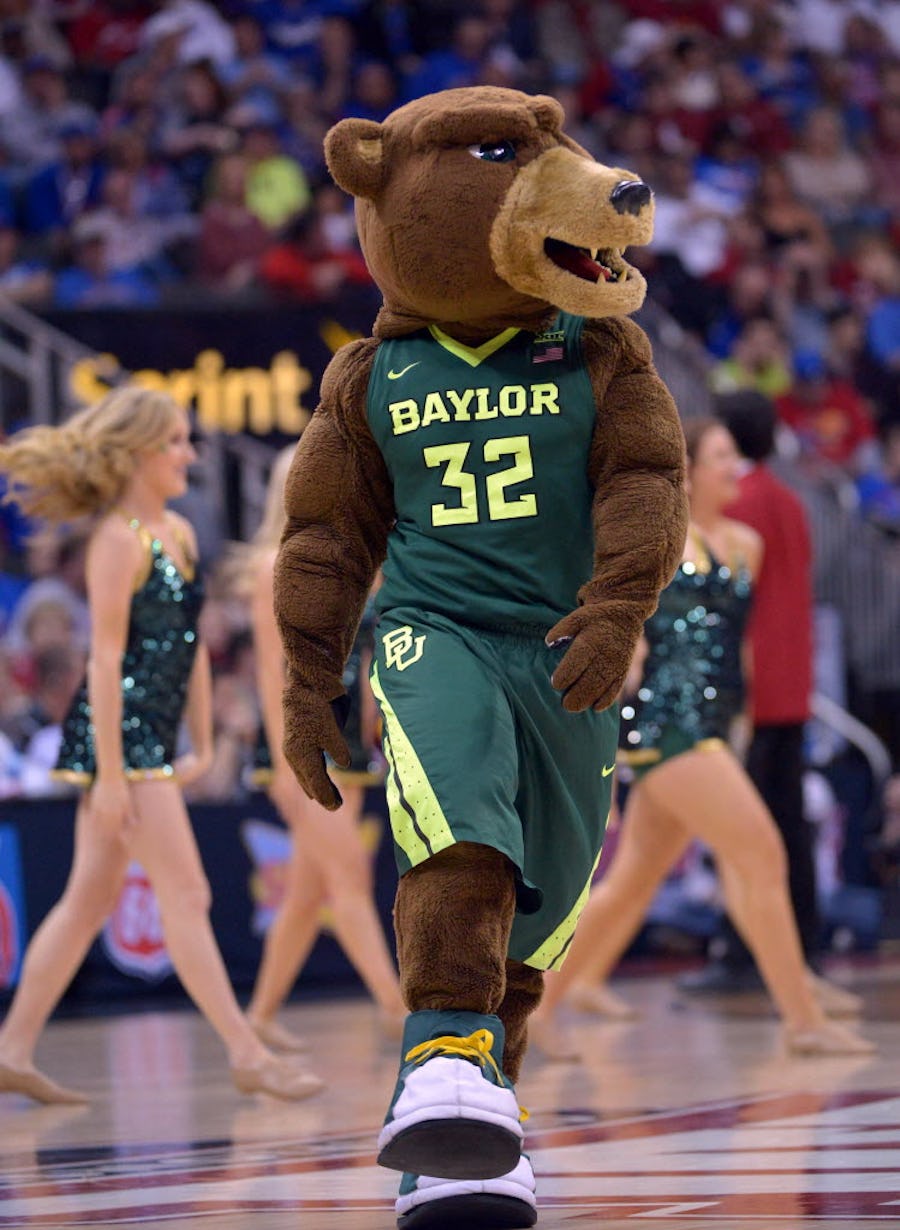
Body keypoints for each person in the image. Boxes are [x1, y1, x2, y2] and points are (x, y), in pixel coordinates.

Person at [0, 387, 323, 1105]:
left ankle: (12, 1048)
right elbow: (105, 662)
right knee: (188, 891)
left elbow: (192, 650)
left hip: (154, 733)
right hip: (122, 734)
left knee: (86, 903)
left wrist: (204, 739)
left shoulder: (176, 530)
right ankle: (246, 1052)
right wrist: (113, 775)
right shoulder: (116, 540)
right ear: (139, 453)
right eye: (177, 441)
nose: (190, 454)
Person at [529, 417, 873, 1059]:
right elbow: (617, 622)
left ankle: (540, 1008)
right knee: (762, 853)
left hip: (715, 728)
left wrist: (738, 727)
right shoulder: (655, 538)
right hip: (664, 727)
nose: (733, 466)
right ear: (685, 469)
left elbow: (735, 645)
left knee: (634, 881)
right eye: (720, 455)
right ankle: (803, 1019)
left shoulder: (746, 542)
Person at [679, 390, 859, 1010]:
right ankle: (799, 953)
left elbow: (730, 614)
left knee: (745, 835)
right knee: (784, 828)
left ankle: (740, 952)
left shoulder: (740, 504)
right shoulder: (789, 498)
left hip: (749, 692)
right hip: (792, 682)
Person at [238, 447, 405, 1049]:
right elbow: (267, 669)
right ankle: (396, 1008)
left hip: (350, 744)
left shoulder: (363, 557)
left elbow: (373, 647)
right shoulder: (273, 565)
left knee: (312, 888)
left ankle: (259, 1016)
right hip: (302, 735)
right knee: (349, 879)